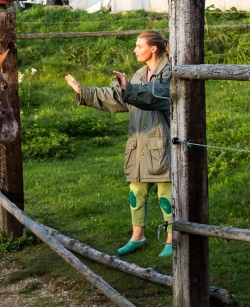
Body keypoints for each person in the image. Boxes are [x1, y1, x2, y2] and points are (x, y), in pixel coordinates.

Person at [65, 30, 173, 257]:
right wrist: (83, 91)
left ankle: (172, 240)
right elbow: (116, 96)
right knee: (136, 193)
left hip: (161, 144)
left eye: (139, 46)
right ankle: (137, 236)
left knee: (166, 195)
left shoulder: (169, 73)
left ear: (153, 48)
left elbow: (156, 96)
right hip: (139, 144)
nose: (135, 50)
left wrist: (129, 89)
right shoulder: (139, 74)